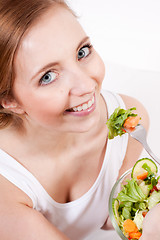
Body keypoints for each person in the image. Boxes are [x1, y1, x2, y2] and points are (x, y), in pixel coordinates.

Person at [0, 0, 150, 239]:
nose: (87, 85)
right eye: (48, 76)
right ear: (10, 100)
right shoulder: (6, 186)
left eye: (82, 52)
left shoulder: (128, 120)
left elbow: (119, 213)